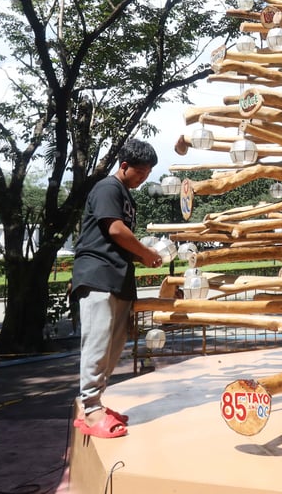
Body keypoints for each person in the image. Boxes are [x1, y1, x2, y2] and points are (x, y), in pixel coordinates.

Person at [71, 139, 166, 439]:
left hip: (119, 279)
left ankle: (97, 403)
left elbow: (121, 238)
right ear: (123, 166)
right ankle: (89, 408)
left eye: (148, 173)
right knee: (98, 343)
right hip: (98, 275)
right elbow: (114, 229)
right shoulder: (107, 188)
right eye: (140, 172)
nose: (144, 178)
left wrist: (142, 255)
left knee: (113, 347)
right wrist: (145, 252)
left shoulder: (126, 195)